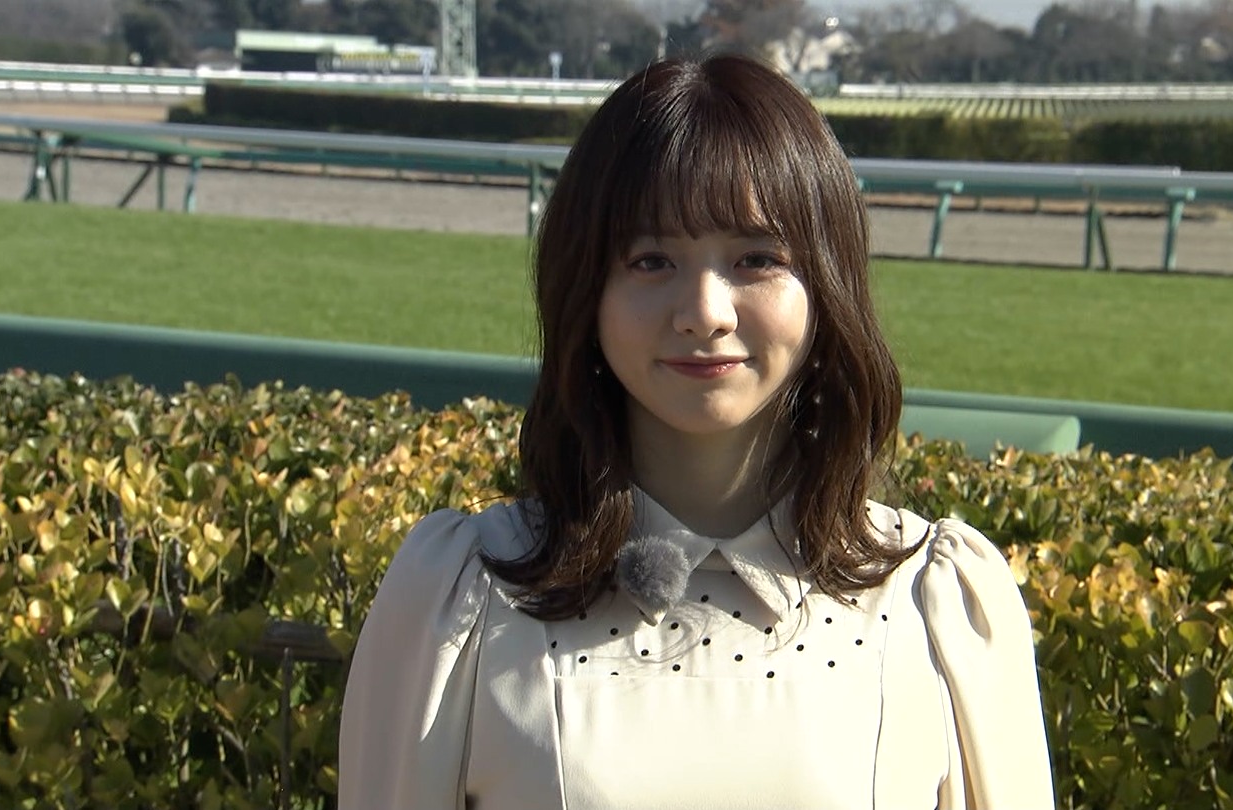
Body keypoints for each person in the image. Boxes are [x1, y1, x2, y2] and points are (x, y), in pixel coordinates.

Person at [339, 53, 1054, 810]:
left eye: (756, 258)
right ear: (586, 290)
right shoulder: (462, 596)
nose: (705, 312)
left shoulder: (937, 601)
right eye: (652, 260)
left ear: (827, 286)